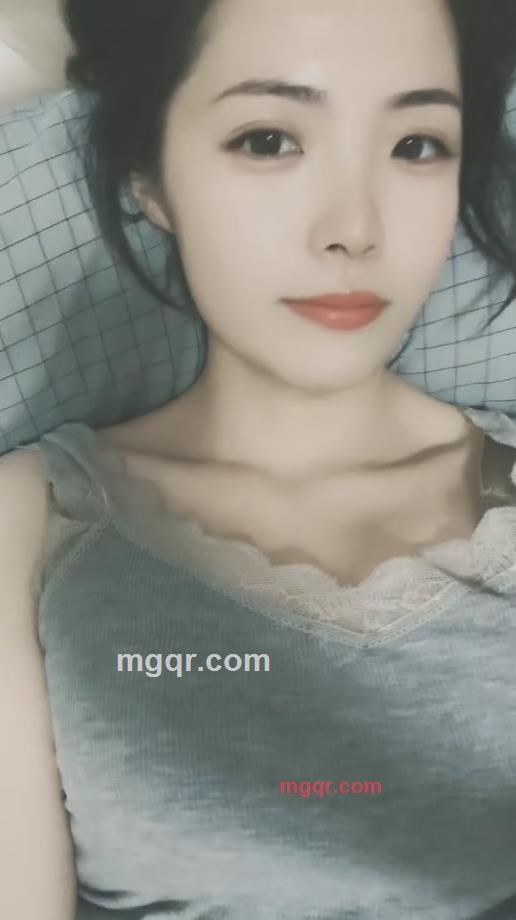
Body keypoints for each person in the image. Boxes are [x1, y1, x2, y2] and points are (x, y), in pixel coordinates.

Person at [2, 1, 516, 917]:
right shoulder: (31, 523)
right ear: (150, 177)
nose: (353, 228)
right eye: (269, 139)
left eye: (416, 145)